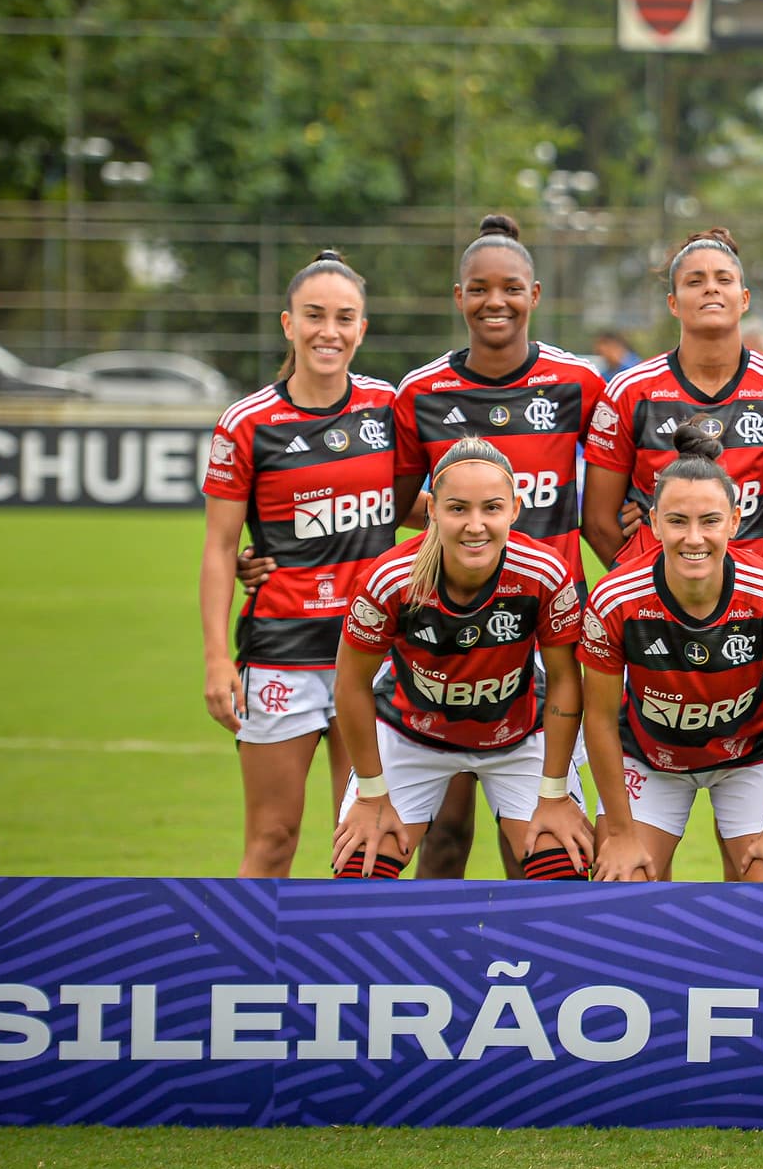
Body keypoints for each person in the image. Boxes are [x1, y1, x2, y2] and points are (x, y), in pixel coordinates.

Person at [388, 213, 604, 879]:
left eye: (510, 288)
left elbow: (624, 482)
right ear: (459, 296)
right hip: (447, 635)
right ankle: (430, 973)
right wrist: (465, 524)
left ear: (534, 294)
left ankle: (536, 976)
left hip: (549, 638)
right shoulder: (422, 392)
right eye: (479, 288)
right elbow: (395, 506)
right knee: (445, 831)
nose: (495, 302)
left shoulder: (579, 384)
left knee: (535, 838)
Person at [200, 251, 396, 877]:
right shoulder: (247, 423)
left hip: (372, 654)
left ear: (362, 329)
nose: (329, 332)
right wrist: (214, 658)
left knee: (367, 843)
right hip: (283, 650)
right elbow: (220, 548)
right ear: (289, 323)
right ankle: (247, 969)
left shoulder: (388, 409)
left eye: (344, 318)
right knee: (273, 838)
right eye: (314, 316)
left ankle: (358, 973)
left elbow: (421, 502)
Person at [332, 439, 590, 879]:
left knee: (562, 869)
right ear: (431, 509)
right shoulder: (390, 578)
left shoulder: (544, 571)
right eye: (457, 509)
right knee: (361, 871)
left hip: (518, 736)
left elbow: (566, 680)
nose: (475, 525)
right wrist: (373, 796)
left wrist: (553, 795)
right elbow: (351, 684)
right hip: (412, 735)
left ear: (515, 509)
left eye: (491, 508)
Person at [578, 428, 763, 882]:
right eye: (677, 521)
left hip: (750, 753)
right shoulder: (615, 598)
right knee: (623, 880)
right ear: (653, 523)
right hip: (653, 754)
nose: (693, 538)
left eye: (709, 520)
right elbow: (600, 717)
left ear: (734, 520)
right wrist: (623, 832)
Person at [581, 227, 763, 579]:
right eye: (695, 281)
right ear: (673, 303)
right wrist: (639, 587)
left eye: (723, 279)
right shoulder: (629, 391)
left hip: (754, 612)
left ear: (744, 299)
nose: (711, 287)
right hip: (656, 608)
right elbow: (598, 522)